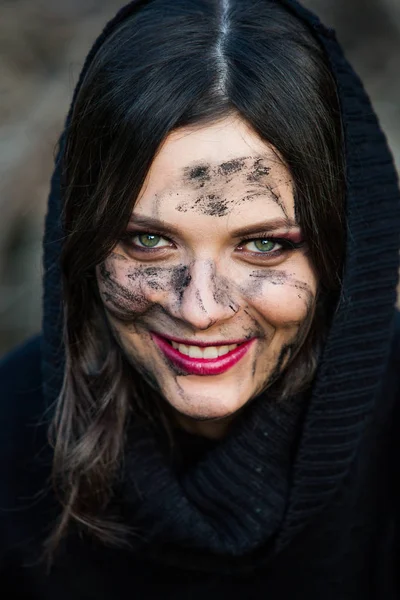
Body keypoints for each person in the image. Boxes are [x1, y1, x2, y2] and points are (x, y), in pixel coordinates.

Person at [1, 0, 399, 597]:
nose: (200, 308)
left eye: (263, 244)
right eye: (148, 241)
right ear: (79, 239)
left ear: (345, 250)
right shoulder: (8, 433)